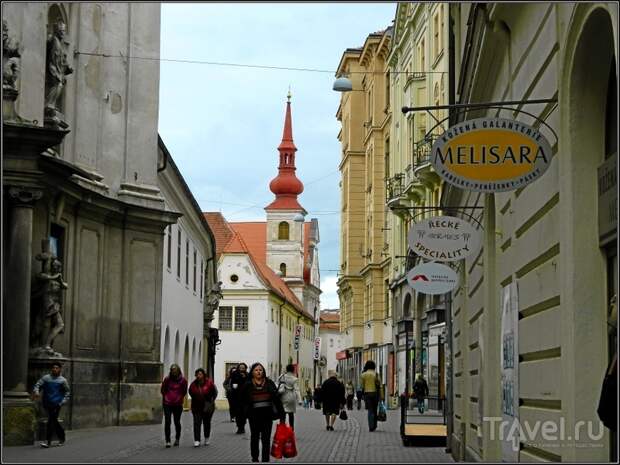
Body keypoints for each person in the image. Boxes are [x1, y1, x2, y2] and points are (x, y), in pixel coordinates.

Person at [240, 362, 285, 462]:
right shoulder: (247, 385)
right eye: (256, 370)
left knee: (266, 439)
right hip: (254, 416)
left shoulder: (269, 383)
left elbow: (277, 400)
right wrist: (244, 414)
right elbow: (242, 401)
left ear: (263, 371)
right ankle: (255, 458)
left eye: (260, 370)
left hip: (267, 416)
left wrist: (282, 417)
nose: (258, 372)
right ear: (252, 372)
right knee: (254, 438)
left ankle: (265, 459)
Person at [32, 361, 70, 448]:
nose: (54, 369)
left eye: (57, 368)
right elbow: (37, 385)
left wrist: (62, 402)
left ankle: (47, 441)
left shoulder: (63, 380)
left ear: (60, 369)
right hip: (47, 403)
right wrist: (37, 392)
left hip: (57, 404)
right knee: (54, 421)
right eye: (53, 368)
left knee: (51, 421)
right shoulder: (46, 378)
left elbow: (67, 393)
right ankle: (62, 437)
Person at [160, 364, 188, 447]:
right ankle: (168, 440)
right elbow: (163, 390)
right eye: (172, 370)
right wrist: (166, 397)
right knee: (167, 421)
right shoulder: (167, 379)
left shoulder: (183, 381)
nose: (174, 372)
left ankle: (177, 439)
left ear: (178, 371)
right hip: (167, 403)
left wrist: (178, 398)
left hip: (177, 404)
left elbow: (184, 391)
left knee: (177, 422)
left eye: (175, 370)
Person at [189, 368, 218, 447]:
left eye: (200, 374)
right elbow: (190, 392)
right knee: (196, 423)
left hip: (207, 407)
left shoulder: (209, 383)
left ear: (204, 375)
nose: (199, 376)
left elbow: (215, 392)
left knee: (206, 423)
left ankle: (206, 437)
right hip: (196, 406)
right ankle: (197, 440)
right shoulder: (193, 384)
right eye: (197, 374)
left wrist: (211, 401)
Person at [277, 364, 301, 430]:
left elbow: (278, 382)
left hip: (283, 396)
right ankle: (291, 430)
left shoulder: (282, 376)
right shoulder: (295, 379)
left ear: (286, 369)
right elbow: (297, 390)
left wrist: (283, 373)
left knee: (283, 414)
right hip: (291, 397)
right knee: (291, 415)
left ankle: (282, 430)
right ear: (293, 370)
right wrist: (300, 400)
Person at [360, 360, 382, 432]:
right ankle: (375, 425)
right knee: (375, 409)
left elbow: (361, 386)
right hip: (375, 393)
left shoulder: (363, 375)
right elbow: (379, 385)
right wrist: (381, 396)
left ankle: (370, 426)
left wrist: (362, 395)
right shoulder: (376, 374)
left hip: (367, 394)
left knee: (370, 410)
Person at [231, 363, 249, 433]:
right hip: (236, 397)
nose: (242, 369)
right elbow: (232, 383)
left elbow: (249, 384)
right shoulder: (235, 374)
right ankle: (239, 427)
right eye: (240, 367)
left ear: (245, 368)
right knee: (238, 413)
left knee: (244, 413)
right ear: (238, 368)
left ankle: (243, 426)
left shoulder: (247, 375)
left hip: (245, 398)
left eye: (243, 368)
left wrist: (245, 378)